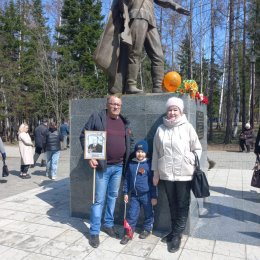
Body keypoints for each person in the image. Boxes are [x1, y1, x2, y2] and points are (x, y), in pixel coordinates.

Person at [94, 0, 190, 94]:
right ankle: (131, 85)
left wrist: (174, 5)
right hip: (137, 14)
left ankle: (157, 88)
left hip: (151, 19)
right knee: (135, 52)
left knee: (158, 56)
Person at [79, 95, 135, 248]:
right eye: (113, 104)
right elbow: (84, 135)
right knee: (99, 200)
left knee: (113, 196)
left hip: (118, 167)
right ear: (107, 104)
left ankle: (108, 224)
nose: (116, 107)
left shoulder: (124, 121)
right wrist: (90, 156)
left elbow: (130, 140)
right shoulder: (98, 117)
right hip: (103, 167)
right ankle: (94, 232)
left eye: (118, 104)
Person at [152, 97, 202, 253]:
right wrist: (155, 172)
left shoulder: (187, 127)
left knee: (182, 204)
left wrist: (190, 159)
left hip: (184, 174)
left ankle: (177, 235)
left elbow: (197, 148)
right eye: (170, 109)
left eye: (175, 109)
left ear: (181, 111)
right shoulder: (161, 129)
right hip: (166, 174)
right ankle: (174, 231)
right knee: (172, 204)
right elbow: (156, 152)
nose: (172, 112)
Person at [120, 140, 157, 245]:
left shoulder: (148, 164)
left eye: (142, 151)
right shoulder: (131, 163)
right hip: (134, 195)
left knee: (148, 213)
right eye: (138, 151)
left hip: (147, 195)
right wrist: (126, 192)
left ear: (146, 152)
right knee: (132, 214)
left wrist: (154, 196)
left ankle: (147, 229)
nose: (140, 154)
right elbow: (127, 179)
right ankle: (128, 233)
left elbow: (153, 182)